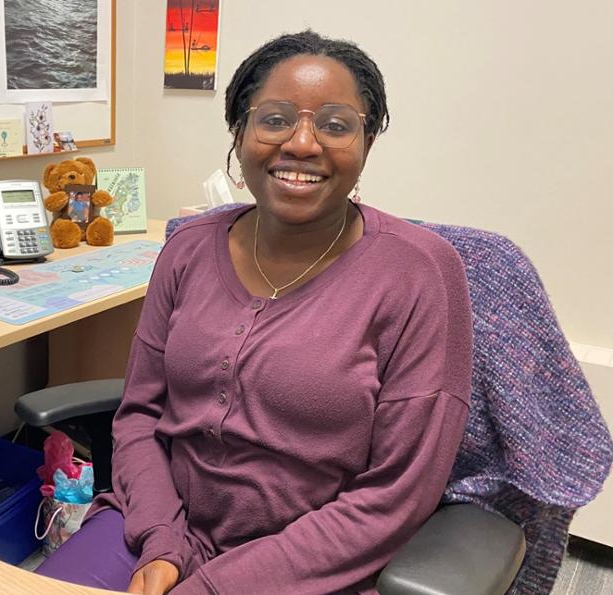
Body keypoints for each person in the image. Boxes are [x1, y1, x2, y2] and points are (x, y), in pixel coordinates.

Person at [36, 30, 472, 595]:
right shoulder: (189, 248)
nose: (303, 144)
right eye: (275, 119)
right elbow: (140, 414)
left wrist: (215, 586)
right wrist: (162, 542)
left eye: (336, 125)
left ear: (367, 143)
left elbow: (397, 494)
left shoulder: (420, 273)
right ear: (240, 131)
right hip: (154, 526)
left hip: (312, 564)